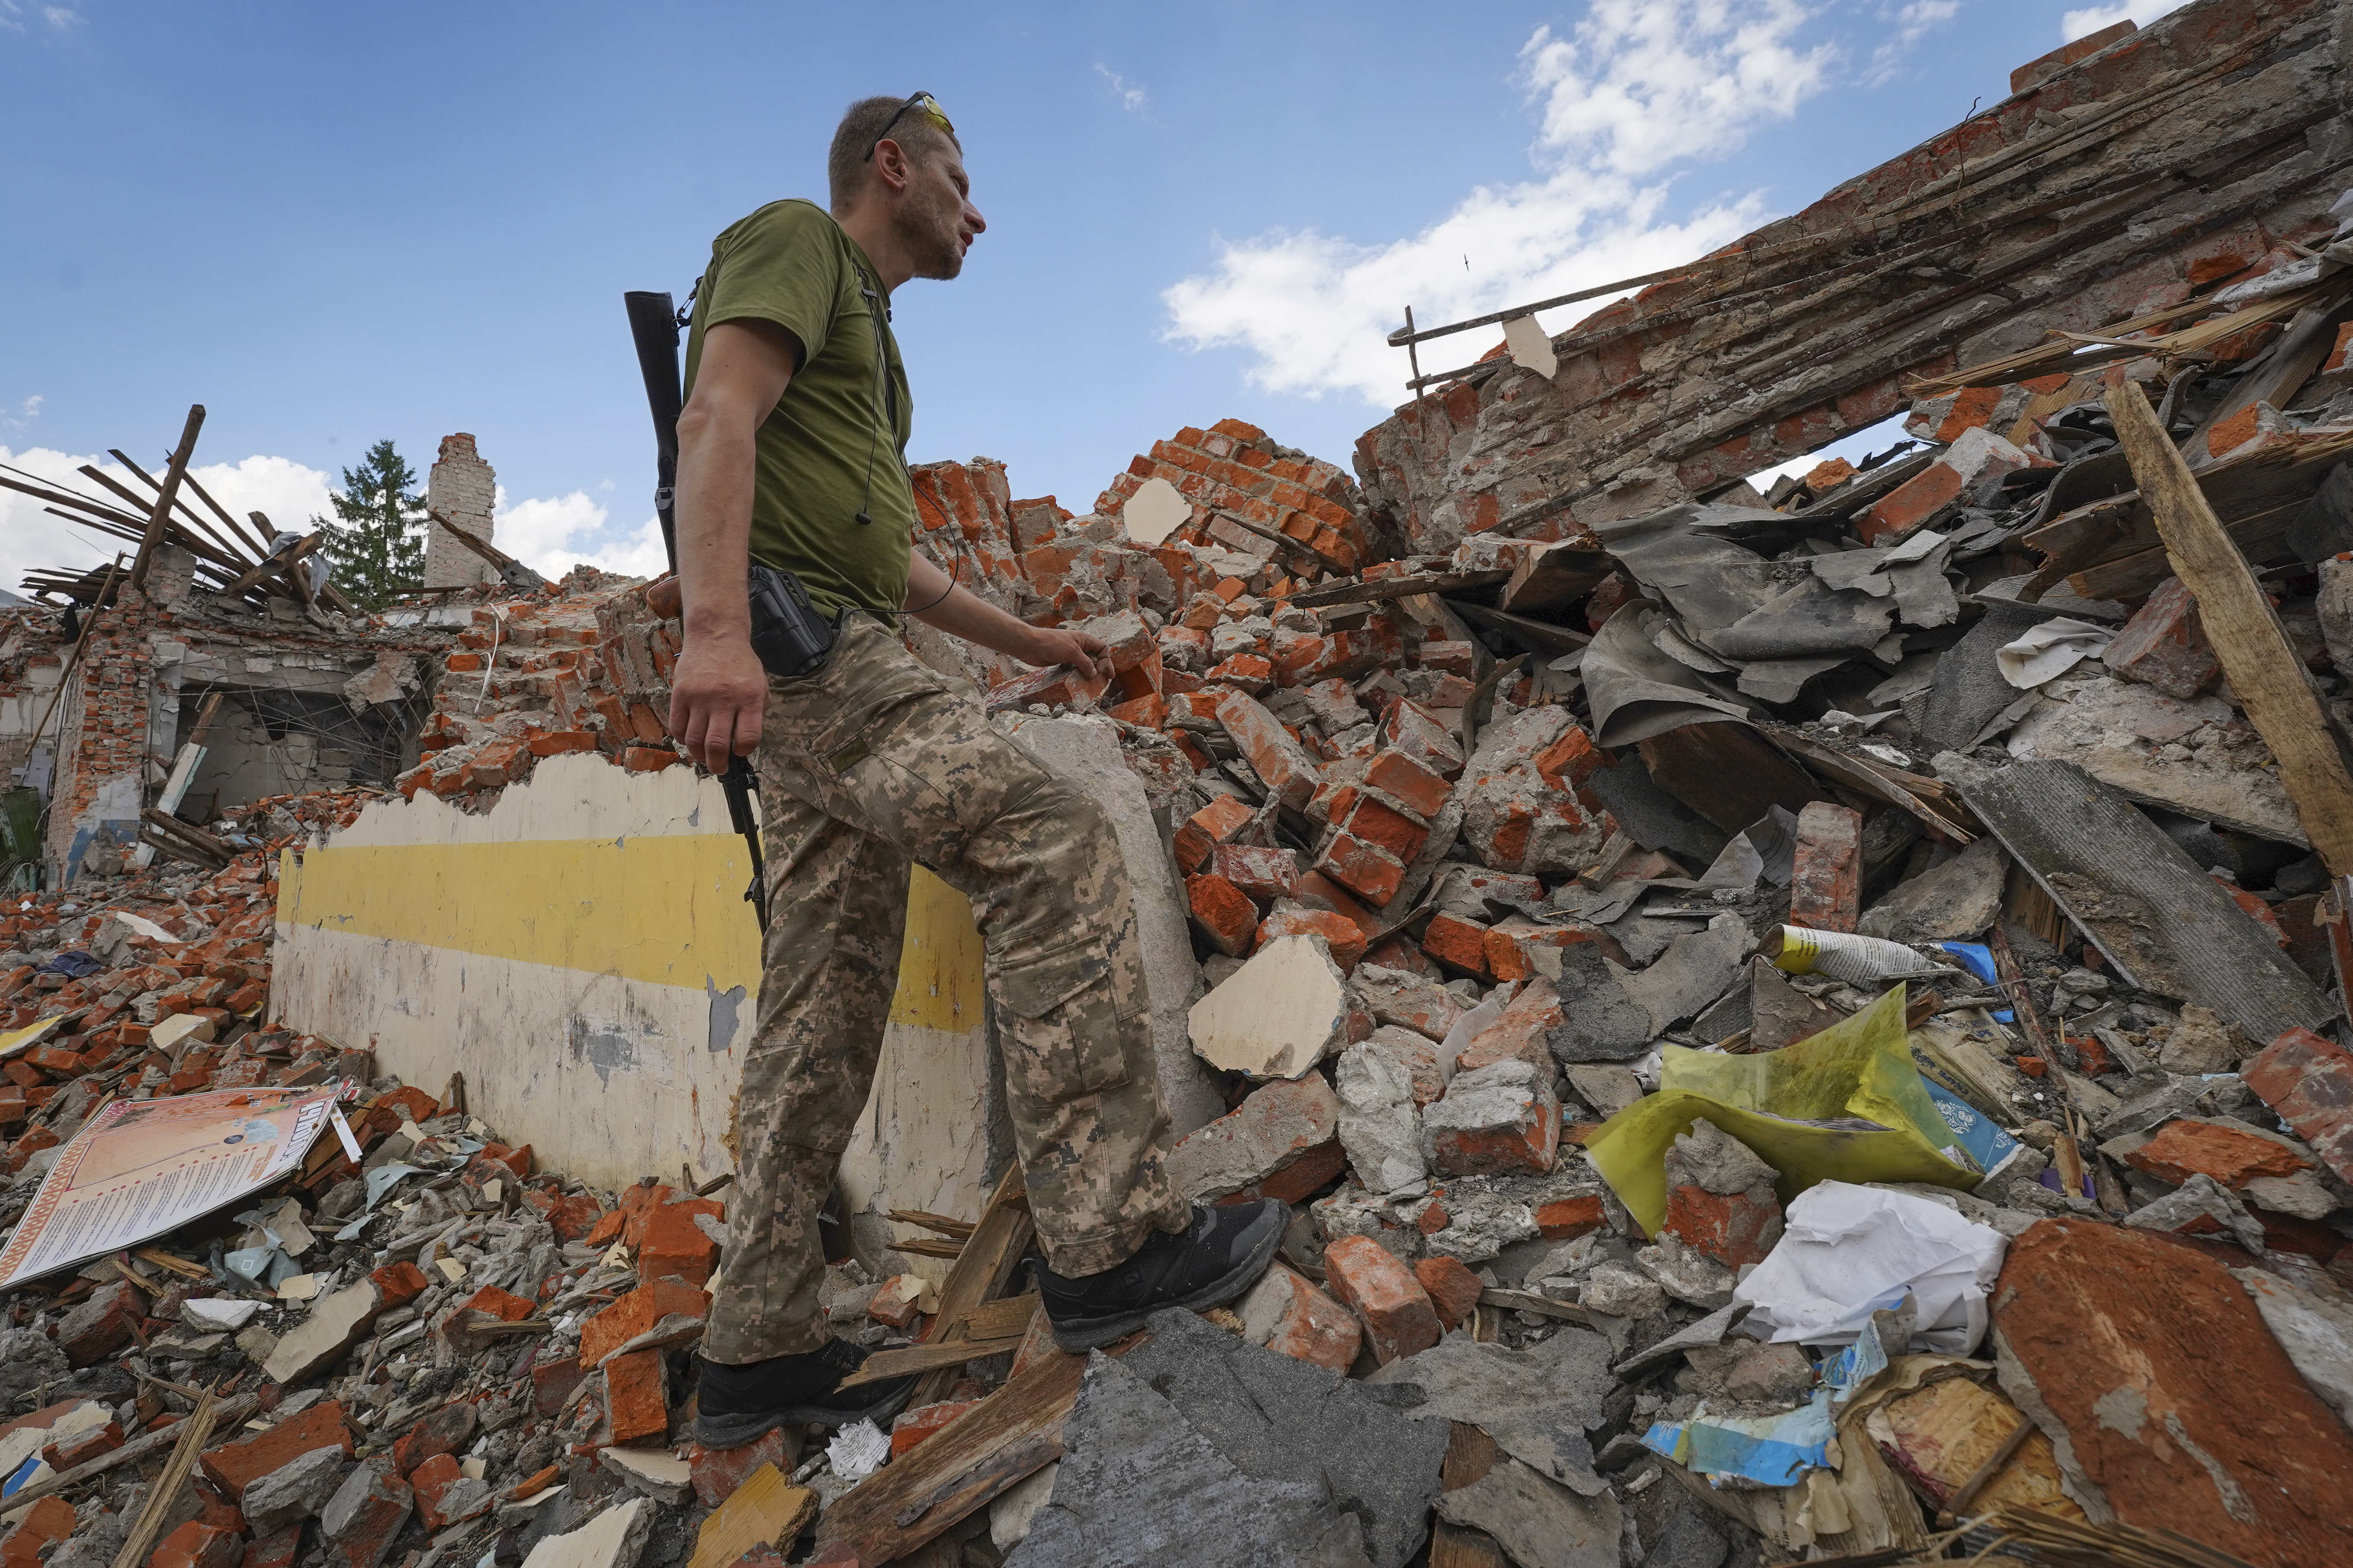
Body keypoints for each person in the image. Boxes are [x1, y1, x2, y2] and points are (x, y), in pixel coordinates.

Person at [660, 93, 1284, 1449]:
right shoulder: (792, 241)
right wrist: (715, 631)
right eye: (958, 175)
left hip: (839, 634)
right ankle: (1111, 1243)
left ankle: (754, 1348)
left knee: (822, 1001)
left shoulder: (873, 348)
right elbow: (714, 419)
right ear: (892, 166)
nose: (977, 208)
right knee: (1050, 843)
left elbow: (899, 565)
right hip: (806, 649)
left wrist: (1034, 639)